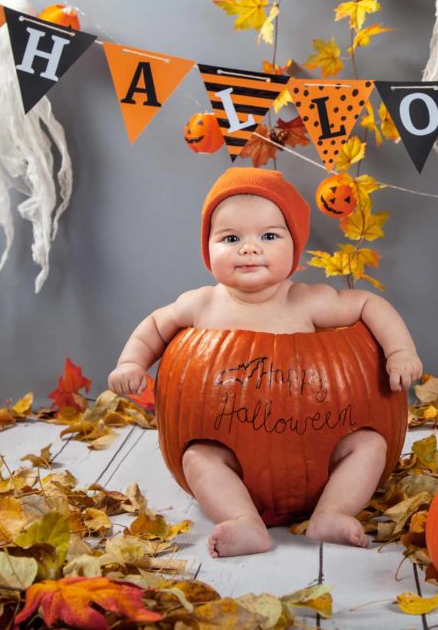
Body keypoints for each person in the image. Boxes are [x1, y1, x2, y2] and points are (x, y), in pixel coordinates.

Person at [109, 167, 421, 558]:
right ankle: (242, 520)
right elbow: (154, 327)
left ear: (294, 247)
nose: (249, 248)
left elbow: (367, 303)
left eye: (269, 236)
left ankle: (333, 511)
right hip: (230, 450)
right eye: (231, 238)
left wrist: (400, 352)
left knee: (371, 443)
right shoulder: (201, 304)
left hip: (319, 452)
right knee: (197, 457)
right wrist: (131, 363)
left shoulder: (306, 301)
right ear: (208, 249)